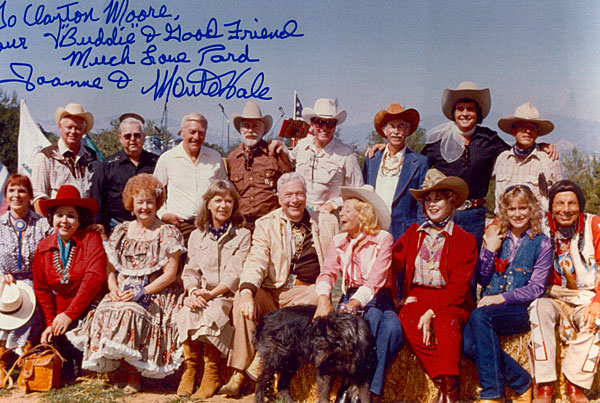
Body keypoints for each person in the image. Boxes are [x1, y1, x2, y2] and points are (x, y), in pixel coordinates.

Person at [220, 172, 338, 395]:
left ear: (306, 196)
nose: (294, 200)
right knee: (243, 301)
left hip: (303, 292)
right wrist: (246, 290)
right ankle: (238, 371)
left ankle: (259, 365)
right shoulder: (266, 223)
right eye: (289, 195)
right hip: (272, 290)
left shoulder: (326, 222)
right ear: (279, 197)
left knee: (317, 296)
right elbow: (257, 259)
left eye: (299, 194)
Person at [68, 174, 186, 394]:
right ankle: (115, 368)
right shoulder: (122, 230)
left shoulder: (167, 232)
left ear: (157, 204)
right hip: (122, 288)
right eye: (140, 202)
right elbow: (110, 268)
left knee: (131, 312)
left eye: (150, 202)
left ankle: (134, 373)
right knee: (105, 309)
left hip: (156, 291)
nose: (145, 207)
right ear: (132, 203)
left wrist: (140, 292)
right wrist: (113, 289)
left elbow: (170, 274)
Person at [393, 168, 477, 403]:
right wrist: (395, 298)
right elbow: (391, 262)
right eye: (427, 200)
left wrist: (432, 311)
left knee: (444, 321)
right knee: (408, 317)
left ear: (451, 202)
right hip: (419, 296)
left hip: (452, 300)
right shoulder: (413, 233)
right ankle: (444, 381)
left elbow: (459, 287)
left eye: (437, 198)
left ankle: (450, 393)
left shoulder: (464, 239)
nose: (431, 204)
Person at [462, 185, 552, 403]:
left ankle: (493, 392)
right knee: (466, 344)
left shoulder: (542, 242)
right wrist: (490, 251)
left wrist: (501, 298)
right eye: (511, 209)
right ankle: (521, 382)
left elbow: (536, 288)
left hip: (520, 310)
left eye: (523, 208)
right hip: (489, 309)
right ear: (504, 211)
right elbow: (483, 279)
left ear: (532, 210)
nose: (517, 214)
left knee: (480, 316)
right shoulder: (496, 236)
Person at [314, 185, 402, 397]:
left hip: (379, 297)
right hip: (351, 296)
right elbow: (328, 272)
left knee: (393, 330)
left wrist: (354, 303)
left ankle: (364, 388)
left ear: (363, 214)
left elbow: (376, 278)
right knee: (369, 323)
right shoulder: (338, 242)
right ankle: (353, 386)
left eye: (347, 210)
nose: (340, 213)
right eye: (341, 210)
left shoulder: (383, 239)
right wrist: (323, 298)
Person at [175, 180, 251, 398]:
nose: (223, 205)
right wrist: (191, 291)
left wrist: (211, 294)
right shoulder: (198, 235)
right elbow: (190, 270)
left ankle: (212, 373)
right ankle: (189, 371)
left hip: (226, 294)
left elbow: (234, 274)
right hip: (200, 293)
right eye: (218, 200)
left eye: (228, 201)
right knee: (189, 310)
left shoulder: (242, 235)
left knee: (213, 310)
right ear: (208, 204)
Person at [529, 180, 600, 403]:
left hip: (586, 296)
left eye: (572, 203)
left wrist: (598, 300)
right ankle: (545, 386)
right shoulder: (540, 225)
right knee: (539, 309)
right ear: (551, 207)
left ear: (580, 206)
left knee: (598, 320)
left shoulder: (594, 225)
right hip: (553, 294)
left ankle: (575, 384)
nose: (565, 209)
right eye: (559, 203)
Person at [32, 185, 107, 381]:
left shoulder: (91, 239)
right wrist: (50, 322)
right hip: (60, 311)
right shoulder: (43, 246)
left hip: (90, 305)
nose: (64, 221)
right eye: (59, 215)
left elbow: (95, 277)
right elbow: (41, 288)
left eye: (70, 215)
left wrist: (69, 315)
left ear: (79, 219)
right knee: (51, 338)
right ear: (52, 218)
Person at [0, 175, 53, 365]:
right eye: (12, 190)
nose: (17, 195)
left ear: (30, 196)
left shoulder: (43, 224)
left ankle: (25, 356)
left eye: (22, 190)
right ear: (6, 195)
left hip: (36, 282)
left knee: (34, 304)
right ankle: (3, 357)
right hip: (6, 283)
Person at [154, 113, 227, 242]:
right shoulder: (168, 158)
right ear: (182, 133)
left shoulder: (215, 158)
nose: (196, 137)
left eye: (201, 133)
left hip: (209, 225)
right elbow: (155, 192)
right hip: (179, 226)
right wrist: (163, 214)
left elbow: (223, 191)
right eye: (192, 132)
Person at [363, 103, 428, 240]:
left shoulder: (419, 162)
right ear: (384, 130)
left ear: (407, 130)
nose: (396, 131)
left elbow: (422, 203)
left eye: (401, 126)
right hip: (374, 229)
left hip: (404, 231)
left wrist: (419, 232)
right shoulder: (372, 159)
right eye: (392, 126)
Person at [226, 101, 292, 231]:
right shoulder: (232, 158)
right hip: (241, 224)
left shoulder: (275, 153)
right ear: (241, 130)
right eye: (246, 126)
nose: (251, 130)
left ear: (263, 130)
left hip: (270, 223)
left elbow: (289, 184)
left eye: (255, 126)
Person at [290, 98, 363, 212]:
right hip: (299, 215)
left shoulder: (347, 154)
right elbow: (285, 159)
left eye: (330, 123)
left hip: (328, 218)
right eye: (319, 122)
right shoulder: (302, 146)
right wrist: (276, 145)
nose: (324, 128)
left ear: (335, 126)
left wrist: (334, 204)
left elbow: (357, 190)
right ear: (312, 124)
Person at [91, 113, 158, 237]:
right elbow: (97, 197)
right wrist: (100, 228)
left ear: (143, 137)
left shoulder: (156, 163)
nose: (132, 139)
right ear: (120, 138)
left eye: (137, 135)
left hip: (151, 226)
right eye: (127, 136)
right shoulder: (107, 165)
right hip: (116, 226)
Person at [493, 102, 562, 213]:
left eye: (532, 128)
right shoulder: (502, 159)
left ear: (537, 133)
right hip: (505, 224)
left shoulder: (550, 160)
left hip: (537, 226)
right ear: (513, 131)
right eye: (523, 127)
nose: (528, 131)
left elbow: (560, 197)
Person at [32, 103, 99, 215]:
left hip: (86, 224)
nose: (73, 131)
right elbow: (37, 197)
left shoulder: (93, 157)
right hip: (57, 224)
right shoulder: (45, 157)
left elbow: (98, 194)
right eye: (69, 127)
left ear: (84, 131)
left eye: (77, 128)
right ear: (60, 128)